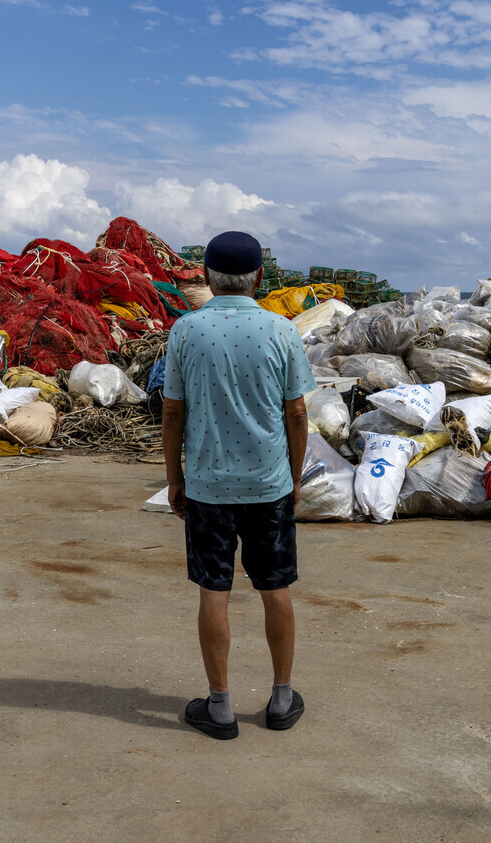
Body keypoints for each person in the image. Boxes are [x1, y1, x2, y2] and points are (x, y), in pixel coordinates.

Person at [161, 230, 316, 740]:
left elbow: (173, 413)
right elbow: (296, 412)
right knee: (276, 587)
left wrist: (174, 479)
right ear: (260, 278)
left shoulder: (185, 331)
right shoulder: (282, 331)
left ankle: (221, 706)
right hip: (269, 484)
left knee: (214, 589)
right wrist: (293, 478)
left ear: (205, 276)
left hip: (209, 486)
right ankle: (281, 698)